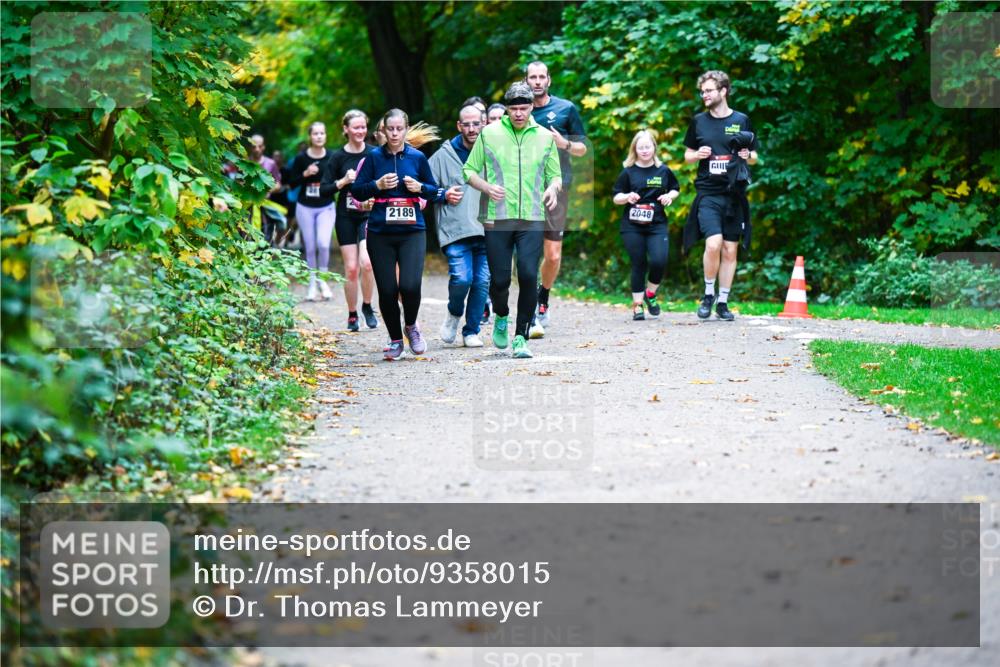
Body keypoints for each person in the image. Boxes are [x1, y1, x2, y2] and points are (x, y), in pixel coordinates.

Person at [351, 109, 460, 361]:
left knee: (410, 286)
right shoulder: (373, 158)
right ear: (383, 131)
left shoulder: (418, 157)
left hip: (412, 232)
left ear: (406, 129)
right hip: (380, 233)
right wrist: (377, 185)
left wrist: (420, 187)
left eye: (399, 129)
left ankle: (410, 326)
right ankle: (395, 339)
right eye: (390, 129)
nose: (395, 134)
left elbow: (433, 190)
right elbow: (356, 191)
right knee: (388, 289)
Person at [463, 81, 561, 359]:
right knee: (500, 280)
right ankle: (502, 315)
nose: (518, 113)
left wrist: (553, 189)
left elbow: (555, 175)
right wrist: (486, 187)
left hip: (532, 217)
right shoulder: (489, 133)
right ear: (507, 108)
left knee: (529, 275)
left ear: (531, 107)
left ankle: (521, 336)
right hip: (498, 217)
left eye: (524, 108)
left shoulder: (544, 137)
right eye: (514, 108)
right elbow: (469, 170)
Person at [682, 70, 758, 321]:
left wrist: (747, 156)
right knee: (713, 243)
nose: (704, 95)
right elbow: (687, 155)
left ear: (723, 91)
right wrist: (697, 155)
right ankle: (708, 295)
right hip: (708, 193)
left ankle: (723, 302)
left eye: (709, 91)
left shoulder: (742, 120)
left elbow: (754, 156)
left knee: (729, 250)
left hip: (734, 194)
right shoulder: (698, 122)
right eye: (702, 91)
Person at [525, 60, 588, 339]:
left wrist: (564, 144)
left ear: (548, 80)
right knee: (528, 253)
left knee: (552, 255)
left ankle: (543, 297)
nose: (537, 81)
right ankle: (527, 308)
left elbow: (582, 149)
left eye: (542, 77)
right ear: (526, 81)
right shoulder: (519, 111)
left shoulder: (565, 109)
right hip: (525, 190)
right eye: (533, 77)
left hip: (558, 188)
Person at [429, 103, 490, 348]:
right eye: (467, 124)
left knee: (482, 282)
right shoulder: (443, 156)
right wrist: (443, 194)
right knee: (462, 278)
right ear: (459, 126)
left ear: (484, 123)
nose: (472, 129)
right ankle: (454, 314)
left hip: (488, 229)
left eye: (476, 123)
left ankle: (471, 331)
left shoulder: (493, 151)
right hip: (455, 230)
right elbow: (424, 187)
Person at [612, 129, 680, 320]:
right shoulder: (628, 171)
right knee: (638, 263)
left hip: (657, 224)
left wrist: (669, 196)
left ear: (654, 148)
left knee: (659, 260)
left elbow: (675, 188)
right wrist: (627, 196)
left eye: (647, 147)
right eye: (640, 147)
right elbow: (616, 197)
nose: (644, 150)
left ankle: (650, 293)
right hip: (632, 225)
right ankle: (637, 305)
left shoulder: (663, 170)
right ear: (635, 149)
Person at [327, 109, 379, 332]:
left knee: (367, 263)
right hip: (346, 217)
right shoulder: (337, 157)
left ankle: (367, 306)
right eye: (356, 127)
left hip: (368, 215)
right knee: (350, 269)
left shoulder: (375, 153)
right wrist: (343, 181)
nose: (360, 131)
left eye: (363, 127)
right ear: (346, 129)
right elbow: (324, 189)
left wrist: (374, 197)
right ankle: (352, 314)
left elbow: (383, 182)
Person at [287, 123, 338, 301]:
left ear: (325, 136)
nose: (319, 136)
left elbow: (338, 180)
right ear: (310, 136)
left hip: (326, 205)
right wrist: (306, 174)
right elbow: (291, 183)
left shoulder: (332, 156)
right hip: (305, 206)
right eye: (315, 133)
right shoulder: (301, 158)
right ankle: (311, 285)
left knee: (323, 244)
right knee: (310, 247)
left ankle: (322, 280)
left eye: (322, 133)